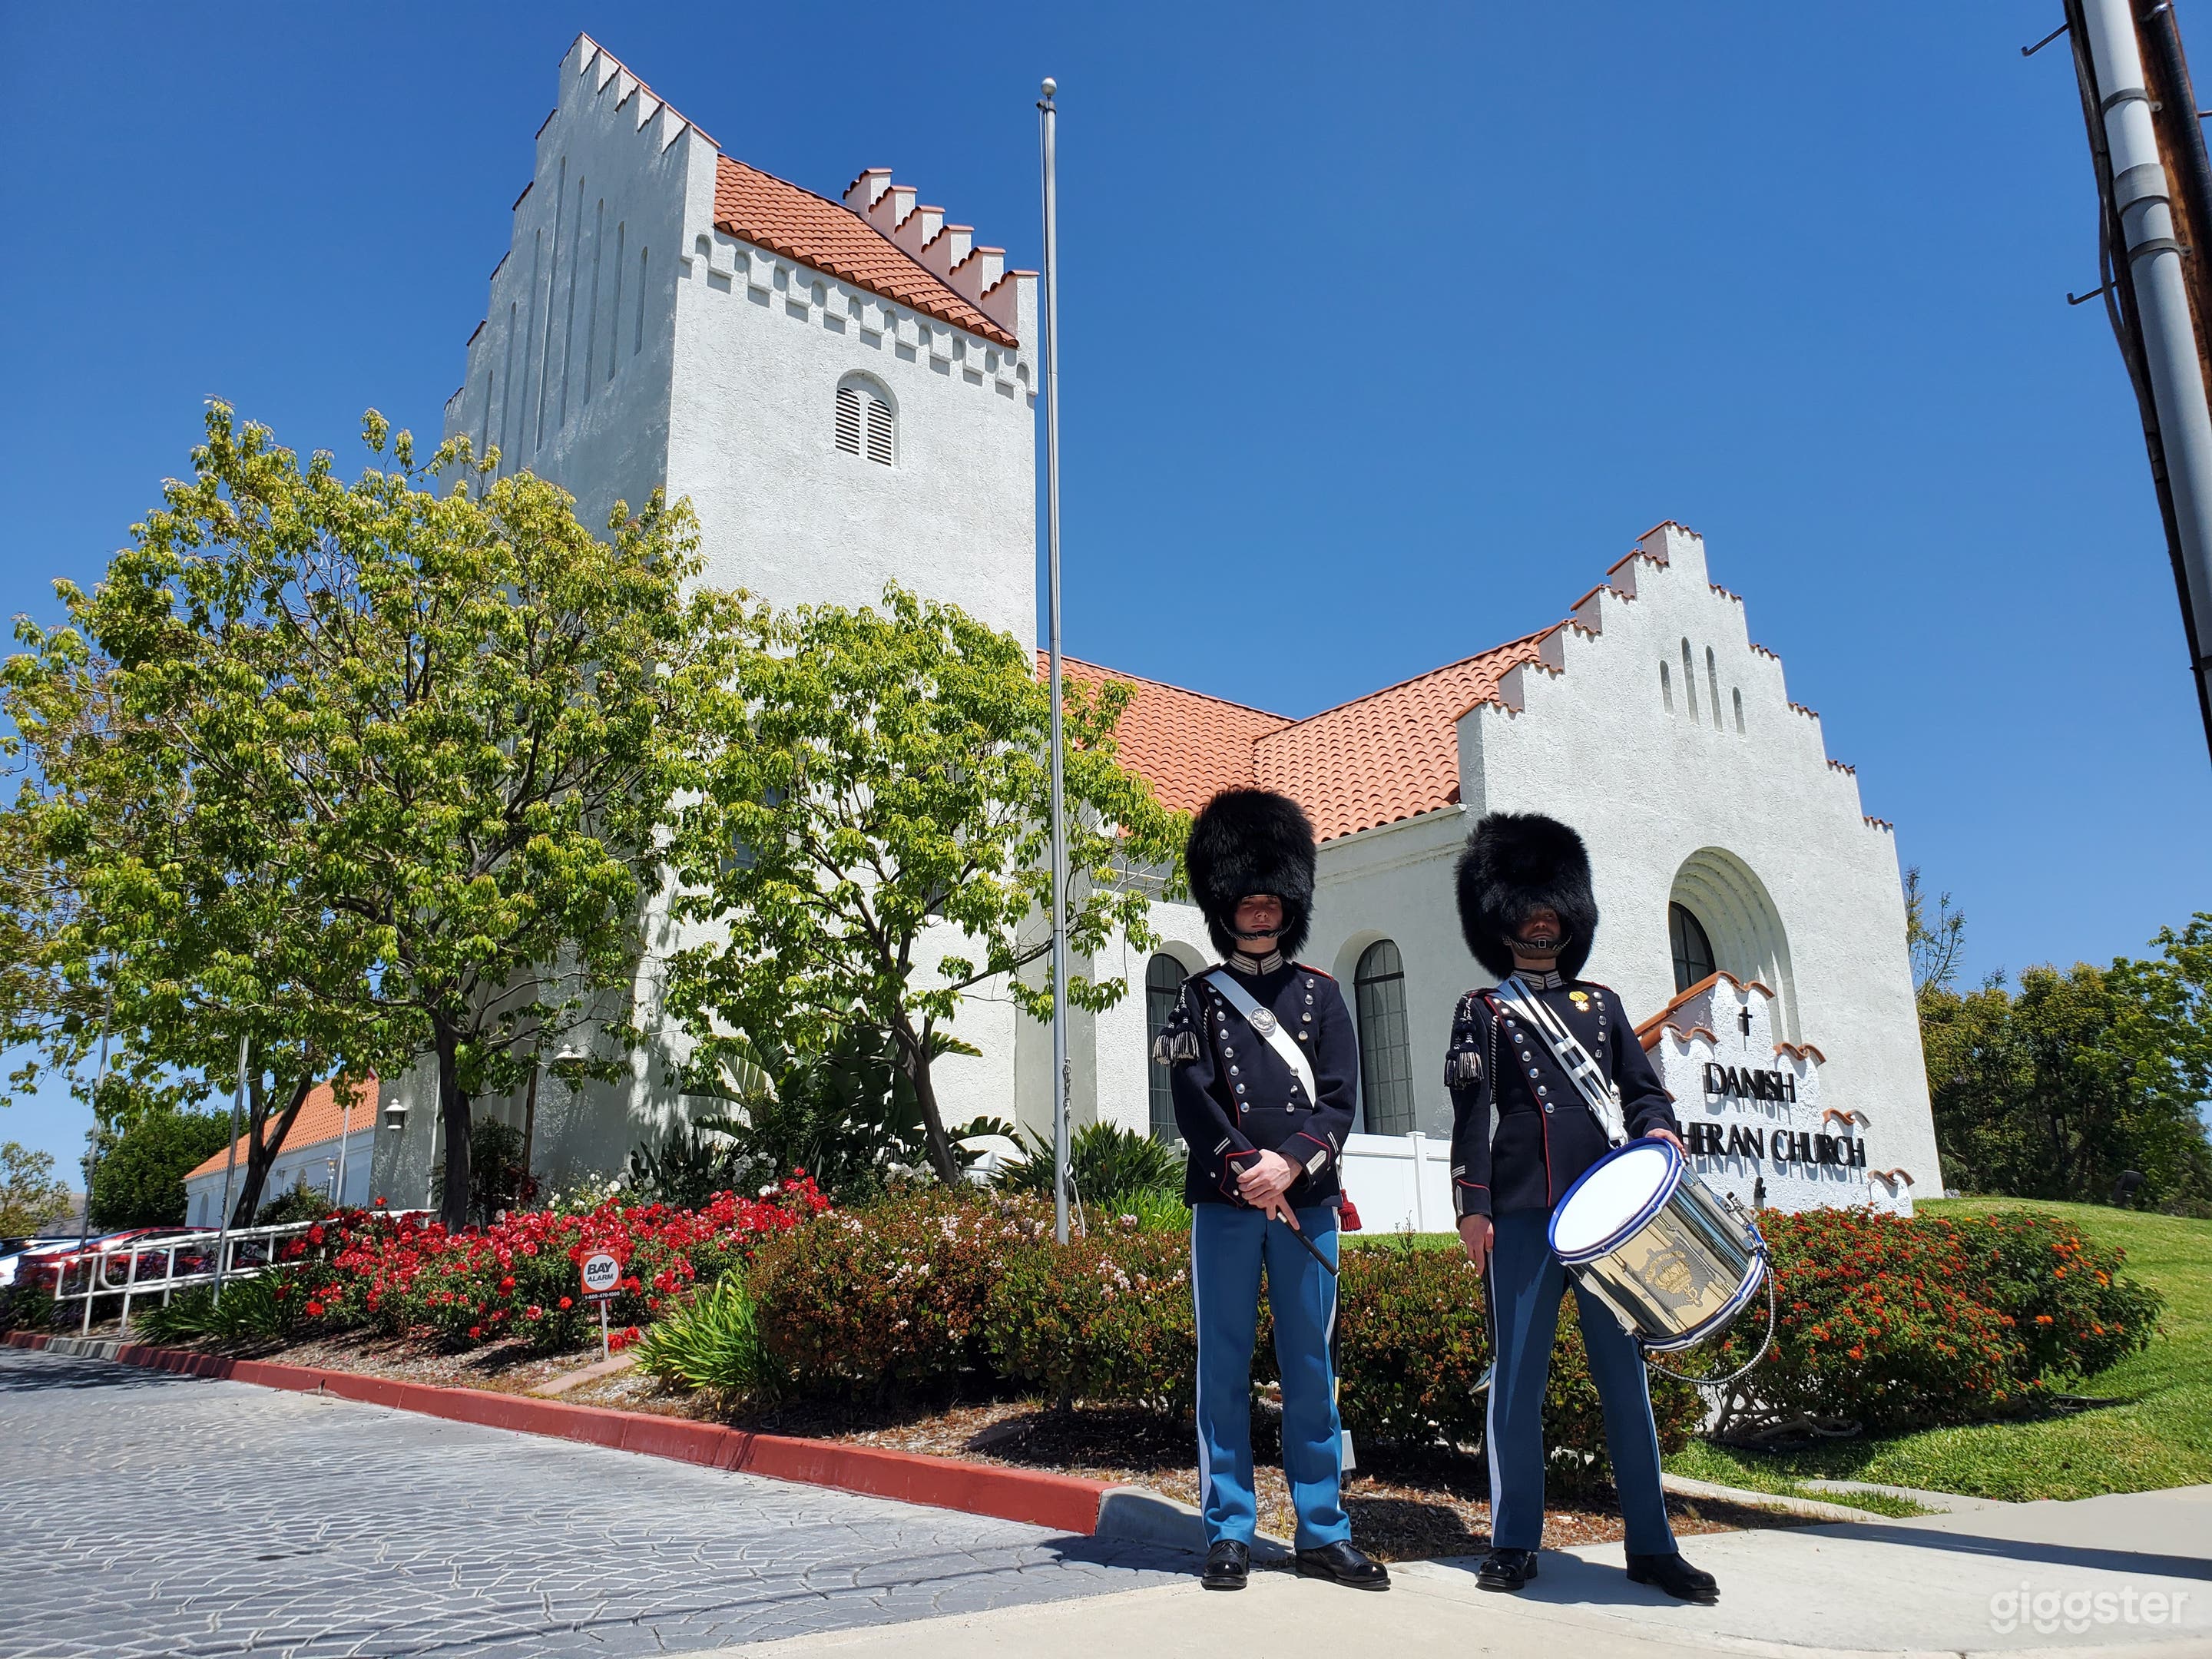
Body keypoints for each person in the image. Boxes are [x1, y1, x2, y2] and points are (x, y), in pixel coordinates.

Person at [1444, 811, 1718, 1604]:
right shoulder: (1484, 1012)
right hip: (1525, 1215)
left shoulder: (1602, 1006)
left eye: (1553, 904)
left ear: (1573, 913)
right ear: (1501, 917)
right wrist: (1472, 1207)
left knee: (1625, 1384)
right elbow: (1471, 1117)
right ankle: (1513, 1541)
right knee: (1517, 1385)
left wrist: (1662, 1134)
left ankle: (1652, 1545)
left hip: (1607, 1223)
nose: (1542, 917)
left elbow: (1643, 1093)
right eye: (1528, 906)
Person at [1154, 788, 1389, 1594]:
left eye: (1271, 898)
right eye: (1245, 899)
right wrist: (1247, 1173)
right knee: (1220, 1367)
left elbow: (1339, 1099)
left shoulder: (1324, 996)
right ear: (1225, 906)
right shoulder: (1197, 996)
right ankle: (1228, 1528)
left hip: (1307, 1203)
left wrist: (1289, 1166)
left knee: (1310, 1368)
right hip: (1224, 1204)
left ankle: (1323, 1530)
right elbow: (1193, 1099)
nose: (1259, 910)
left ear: (1291, 903)